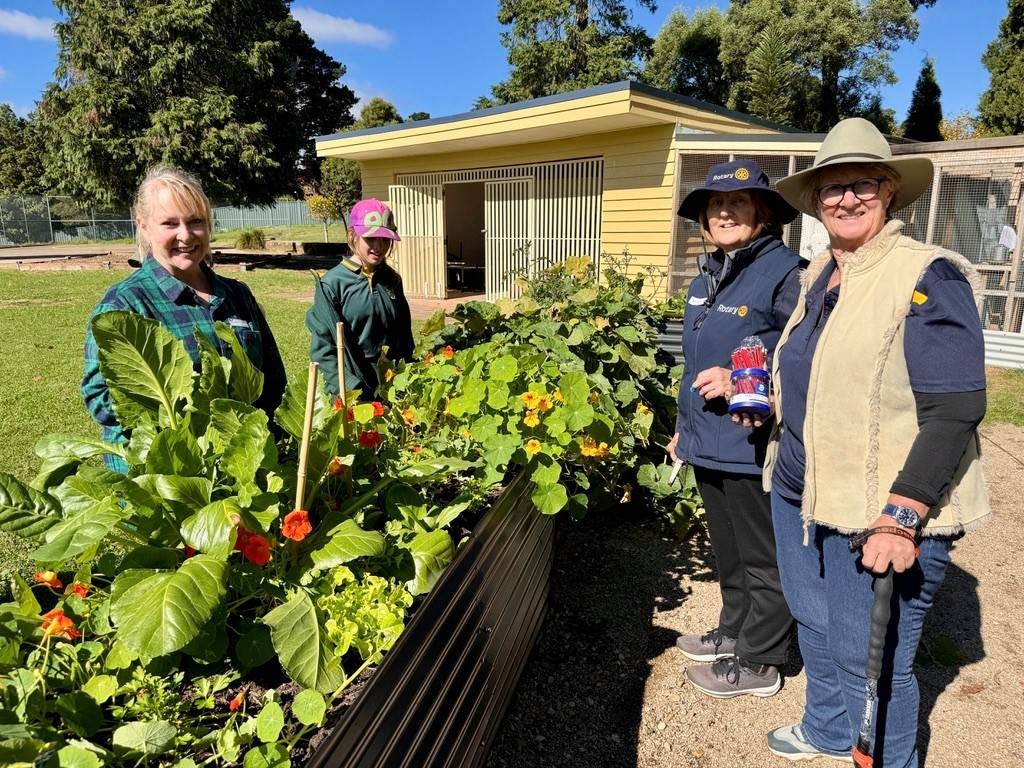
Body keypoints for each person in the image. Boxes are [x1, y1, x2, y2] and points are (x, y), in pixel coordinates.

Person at [764, 118, 989, 766]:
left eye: (861, 183)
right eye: (832, 188)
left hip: (877, 511)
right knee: (815, 620)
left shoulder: (926, 275)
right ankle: (829, 730)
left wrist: (902, 515)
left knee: (875, 662)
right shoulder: (821, 274)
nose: (846, 198)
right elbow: (825, 372)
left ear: (889, 191)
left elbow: (954, 410)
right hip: (802, 489)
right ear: (815, 202)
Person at [668, 159, 802, 698]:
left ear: (763, 214)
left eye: (739, 202)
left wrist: (747, 371)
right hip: (708, 440)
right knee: (728, 548)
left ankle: (762, 660)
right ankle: (734, 630)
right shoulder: (710, 273)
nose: (724, 212)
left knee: (760, 552)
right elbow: (692, 359)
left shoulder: (788, 272)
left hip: (751, 440)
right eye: (714, 205)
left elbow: (801, 348)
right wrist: (684, 428)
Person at [82, 166, 286, 470]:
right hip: (163, 482)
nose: (185, 235)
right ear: (144, 227)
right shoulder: (124, 306)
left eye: (196, 222)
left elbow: (273, 383)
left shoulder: (238, 296)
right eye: (169, 223)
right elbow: (100, 398)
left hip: (240, 472)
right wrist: (181, 425)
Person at [306, 198, 415, 399]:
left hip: (392, 388)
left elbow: (404, 337)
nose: (379, 246)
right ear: (353, 236)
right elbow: (323, 352)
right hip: (353, 390)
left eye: (384, 239)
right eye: (370, 238)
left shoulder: (392, 280)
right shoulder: (331, 285)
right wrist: (349, 389)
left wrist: (407, 376)